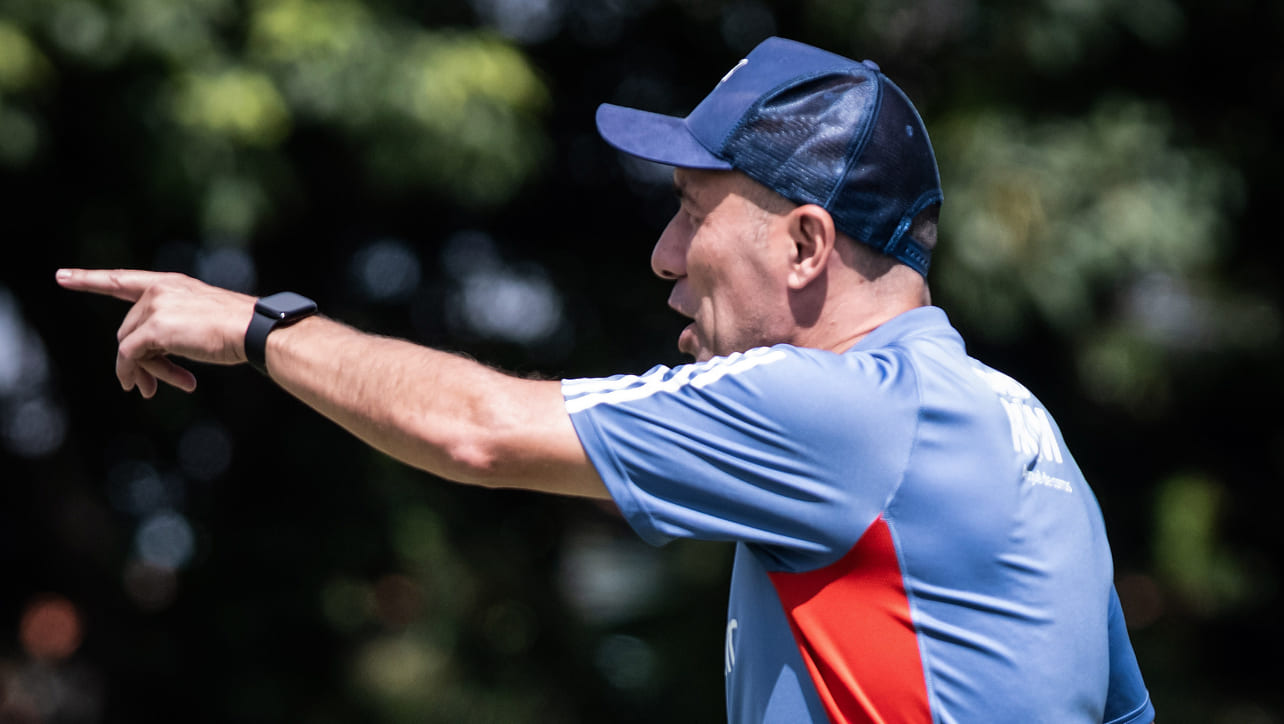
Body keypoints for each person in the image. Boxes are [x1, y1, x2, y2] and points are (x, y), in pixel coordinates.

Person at [58, 37, 1155, 724]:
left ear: (808, 244)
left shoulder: (829, 410)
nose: (664, 256)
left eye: (691, 211)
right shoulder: (1026, 431)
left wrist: (256, 325)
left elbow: (478, 430)